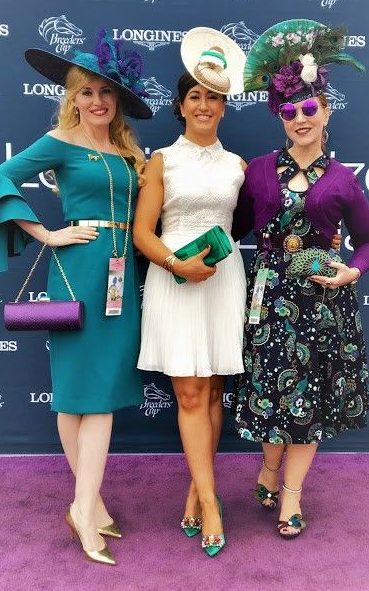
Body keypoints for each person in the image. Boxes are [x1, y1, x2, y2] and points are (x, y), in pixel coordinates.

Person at [0, 29, 152, 564]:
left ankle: (89, 505)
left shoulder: (125, 150)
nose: (97, 101)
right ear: (72, 97)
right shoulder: (58, 143)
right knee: (76, 393)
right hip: (74, 271)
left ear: (118, 102)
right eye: (86, 91)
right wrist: (47, 234)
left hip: (118, 277)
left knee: (99, 391)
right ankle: (86, 511)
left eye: (105, 93)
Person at [231, 19, 369, 538]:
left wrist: (351, 272)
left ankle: (290, 497)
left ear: (326, 110)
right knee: (272, 393)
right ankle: (270, 469)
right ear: (280, 115)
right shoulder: (256, 170)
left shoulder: (342, 180)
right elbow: (231, 229)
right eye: (290, 111)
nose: (300, 118)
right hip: (269, 299)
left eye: (309, 109)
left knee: (307, 398)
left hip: (322, 301)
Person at [133, 27, 246, 556]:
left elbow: (244, 226)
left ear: (225, 105)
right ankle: (213, 500)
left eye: (214, 97)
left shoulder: (238, 167)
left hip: (223, 282)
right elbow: (142, 233)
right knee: (190, 393)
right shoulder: (162, 160)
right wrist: (180, 263)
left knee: (216, 391)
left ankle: (196, 491)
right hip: (175, 281)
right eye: (195, 96)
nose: (205, 105)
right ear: (181, 106)